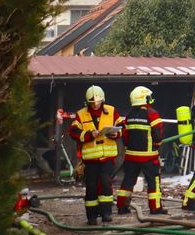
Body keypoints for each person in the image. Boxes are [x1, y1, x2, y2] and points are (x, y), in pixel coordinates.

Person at [69, 85, 122, 225]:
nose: (95, 105)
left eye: (98, 102)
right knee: (91, 187)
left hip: (107, 158)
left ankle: (106, 213)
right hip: (90, 159)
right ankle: (91, 217)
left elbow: (121, 126)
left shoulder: (111, 111)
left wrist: (116, 134)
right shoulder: (81, 114)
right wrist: (88, 135)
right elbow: (73, 132)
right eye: (92, 103)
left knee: (106, 184)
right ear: (87, 102)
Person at [116, 86, 167, 216]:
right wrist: (157, 144)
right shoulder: (152, 113)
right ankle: (155, 208)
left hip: (131, 156)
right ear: (145, 98)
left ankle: (122, 207)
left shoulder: (129, 115)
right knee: (153, 182)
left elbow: (125, 136)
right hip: (148, 157)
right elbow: (158, 133)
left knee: (128, 181)